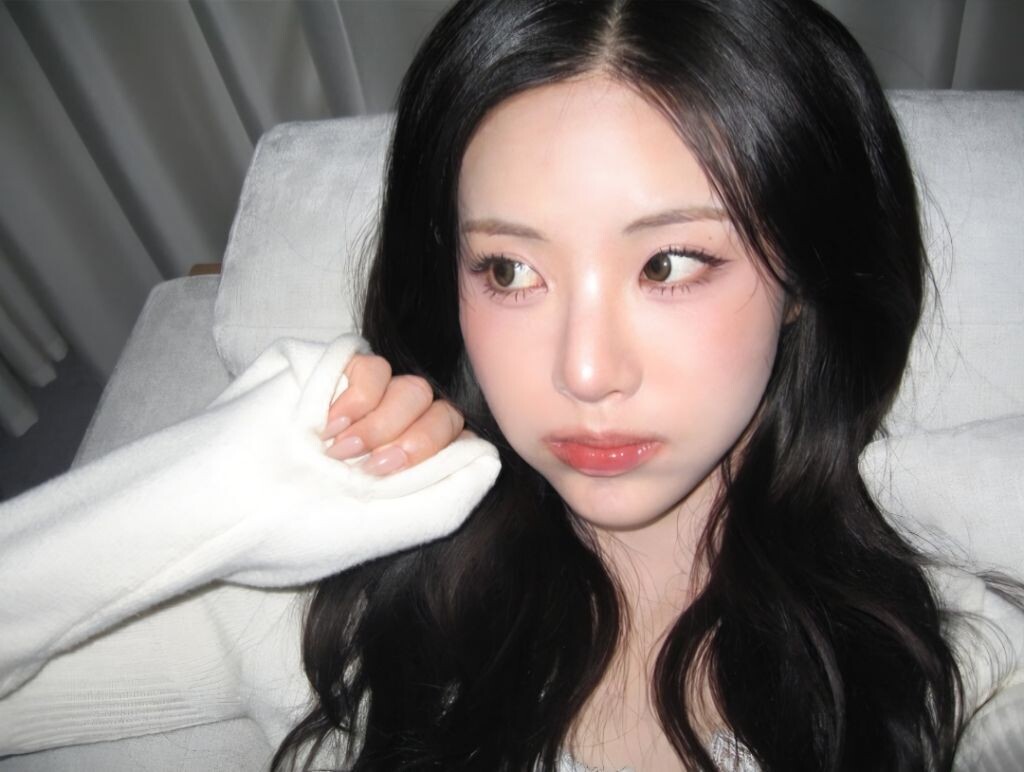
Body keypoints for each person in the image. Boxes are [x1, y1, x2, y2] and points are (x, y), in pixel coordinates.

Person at [1, 0, 1022, 770]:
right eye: (508, 270)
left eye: (668, 263)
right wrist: (203, 495)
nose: (584, 372)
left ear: (803, 278)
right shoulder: (340, 593)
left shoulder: (954, 658)